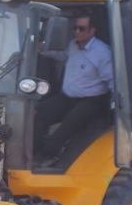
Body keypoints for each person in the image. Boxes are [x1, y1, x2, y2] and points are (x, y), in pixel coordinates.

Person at [33, 12, 114, 161]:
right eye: (75, 28)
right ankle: (32, 153)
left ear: (92, 31)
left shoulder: (102, 53)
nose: (77, 32)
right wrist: (43, 50)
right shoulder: (73, 45)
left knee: (63, 129)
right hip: (68, 97)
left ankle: (48, 158)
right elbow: (64, 56)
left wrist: (117, 106)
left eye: (81, 29)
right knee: (37, 113)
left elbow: (112, 81)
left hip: (91, 101)